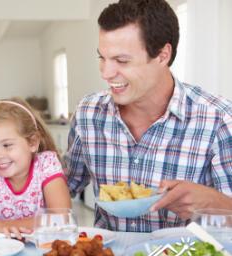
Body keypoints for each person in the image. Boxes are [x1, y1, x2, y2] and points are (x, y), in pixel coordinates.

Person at [65, 0, 232, 232]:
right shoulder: (88, 113)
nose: (106, 72)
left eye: (121, 61)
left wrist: (213, 202)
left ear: (163, 55)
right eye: (102, 58)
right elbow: (64, 187)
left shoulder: (218, 119)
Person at [0, 98, 72, 237]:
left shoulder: (46, 164)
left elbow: (61, 219)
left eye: (7, 145)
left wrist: (0, 226)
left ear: (33, 142)